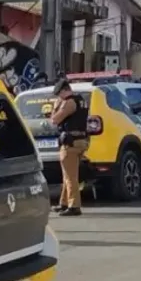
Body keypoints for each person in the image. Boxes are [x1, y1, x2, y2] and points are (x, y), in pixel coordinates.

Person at [49, 79, 89, 217]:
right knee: (68, 175)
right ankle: (64, 203)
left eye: (59, 94)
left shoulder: (69, 102)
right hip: (80, 141)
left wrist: (55, 107)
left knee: (70, 176)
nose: (58, 97)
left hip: (70, 142)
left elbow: (54, 120)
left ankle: (74, 206)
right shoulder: (81, 100)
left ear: (65, 90)